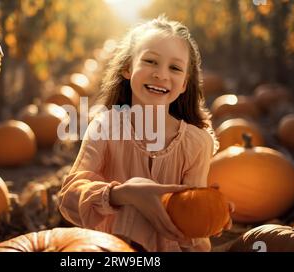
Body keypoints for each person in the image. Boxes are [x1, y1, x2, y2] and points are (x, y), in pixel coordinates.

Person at [58, 15, 229, 252]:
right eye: (150, 61)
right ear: (128, 68)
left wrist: (209, 216)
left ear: (183, 84)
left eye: (175, 67)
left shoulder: (197, 143)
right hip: (108, 251)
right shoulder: (105, 127)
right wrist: (123, 193)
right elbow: (69, 198)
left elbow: (192, 221)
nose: (161, 74)